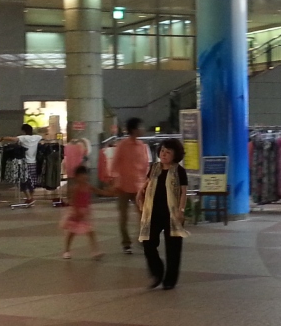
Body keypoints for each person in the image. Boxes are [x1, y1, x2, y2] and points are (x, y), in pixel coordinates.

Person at [139, 138, 189, 290]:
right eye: (162, 151)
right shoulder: (154, 168)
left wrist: (181, 210)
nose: (164, 154)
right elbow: (147, 183)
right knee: (148, 243)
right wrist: (140, 192)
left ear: (175, 155)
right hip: (153, 212)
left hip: (172, 213)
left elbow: (183, 192)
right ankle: (157, 272)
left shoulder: (179, 171)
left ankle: (169, 281)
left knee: (173, 247)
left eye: (168, 152)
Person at [112, 118, 151, 254]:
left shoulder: (143, 146)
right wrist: (115, 180)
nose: (143, 129)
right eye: (141, 127)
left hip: (139, 186)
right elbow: (115, 163)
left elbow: (146, 166)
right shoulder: (122, 145)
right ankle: (126, 244)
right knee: (124, 217)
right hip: (123, 186)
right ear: (134, 129)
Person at [61, 166, 104, 260]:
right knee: (71, 233)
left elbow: (99, 191)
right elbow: (73, 201)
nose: (84, 177)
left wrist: (110, 192)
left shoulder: (88, 186)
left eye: (85, 175)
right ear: (76, 177)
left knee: (90, 232)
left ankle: (95, 251)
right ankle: (66, 250)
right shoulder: (76, 188)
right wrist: (76, 211)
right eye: (81, 175)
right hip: (76, 213)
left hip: (85, 213)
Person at [15, 123, 43, 205]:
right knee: (32, 181)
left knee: (24, 180)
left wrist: (2, 138)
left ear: (24, 131)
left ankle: (29, 198)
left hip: (25, 163)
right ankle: (31, 197)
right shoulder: (37, 137)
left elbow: (12, 139)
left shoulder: (23, 137)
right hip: (33, 163)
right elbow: (43, 138)